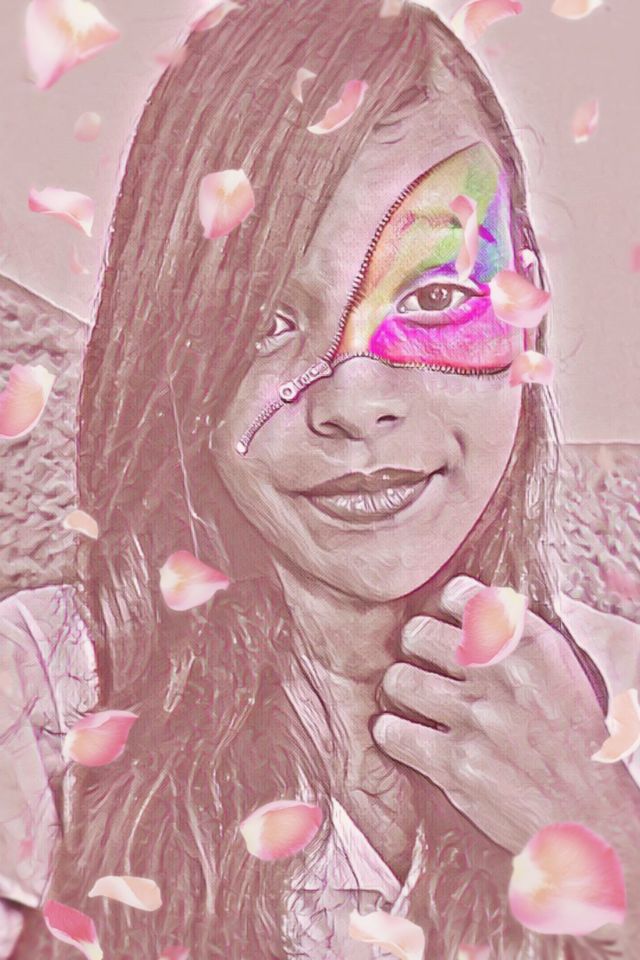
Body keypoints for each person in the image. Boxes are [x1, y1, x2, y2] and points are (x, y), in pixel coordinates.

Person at [2, 0, 640, 957]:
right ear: (170, 347)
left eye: (436, 295)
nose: (355, 399)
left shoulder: (622, 704)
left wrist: (614, 853)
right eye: (264, 317)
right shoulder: (36, 700)